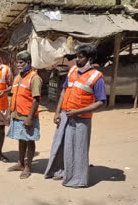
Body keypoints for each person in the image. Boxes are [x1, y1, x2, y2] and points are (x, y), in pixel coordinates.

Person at [44, 44, 106, 188]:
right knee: (61, 145)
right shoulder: (72, 70)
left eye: (81, 57)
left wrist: (78, 112)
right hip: (66, 115)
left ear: (89, 58)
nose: (77, 59)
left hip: (81, 119)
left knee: (78, 149)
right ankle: (61, 171)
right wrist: (57, 112)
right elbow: (64, 91)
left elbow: (101, 102)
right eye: (77, 56)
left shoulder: (97, 77)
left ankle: (77, 179)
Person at [6, 51, 42, 179]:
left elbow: (36, 99)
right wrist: (10, 113)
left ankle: (28, 166)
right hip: (17, 114)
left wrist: (30, 118)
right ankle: (20, 163)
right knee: (21, 139)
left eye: (21, 62)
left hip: (27, 116)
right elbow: (14, 96)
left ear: (28, 63)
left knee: (29, 140)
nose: (18, 65)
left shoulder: (34, 78)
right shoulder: (17, 77)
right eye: (17, 62)